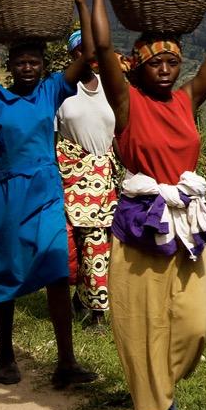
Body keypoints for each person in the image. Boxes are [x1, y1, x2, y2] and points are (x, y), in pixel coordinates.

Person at [90, 0, 206, 410]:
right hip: (141, 221)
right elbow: (102, 45)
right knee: (142, 321)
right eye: (158, 63)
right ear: (138, 67)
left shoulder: (187, 100)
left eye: (174, 61)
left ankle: (162, 390)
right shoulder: (126, 102)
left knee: (196, 323)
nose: (168, 70)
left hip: (187, 221)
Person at [0, 0, 99, 388]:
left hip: (45, 194)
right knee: (3, 273)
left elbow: (89, 54)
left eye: (33, 62)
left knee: (57, 270)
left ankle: (66, 363)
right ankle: (5, 352)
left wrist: (80, 2)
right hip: (5, 197)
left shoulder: (50, 92)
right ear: (10, 65)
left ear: (43, 66)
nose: (27, 67)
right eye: (20, 62)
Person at [56, 28, 119, 327]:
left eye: (91, 49)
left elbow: (117, 133)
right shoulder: (62, 89)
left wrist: (128, 166)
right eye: (81, 50)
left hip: (105, 177)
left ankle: (89, 307)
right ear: (73, 54)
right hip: (73, 174)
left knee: (100, 242)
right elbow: (51, 135)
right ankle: (90, 309)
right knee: (82, 243)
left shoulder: (111, 86)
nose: (87, 55)